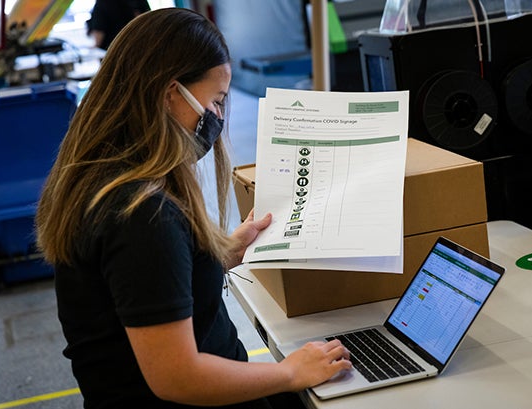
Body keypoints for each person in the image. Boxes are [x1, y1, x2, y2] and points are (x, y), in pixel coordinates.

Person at [35, 8, 351, 409]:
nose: (218, 116)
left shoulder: (107, 176)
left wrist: (218, 254)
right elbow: (177, 377)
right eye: (216, 101)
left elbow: (139, 286)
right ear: (170, 94)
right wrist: (290, 372)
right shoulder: (142, 214)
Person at [87, 0, 151, 50]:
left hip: (112, 49)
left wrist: (95, 46)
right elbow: (148, 19)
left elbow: (99, 31)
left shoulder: (102, 2)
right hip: (139, 44)